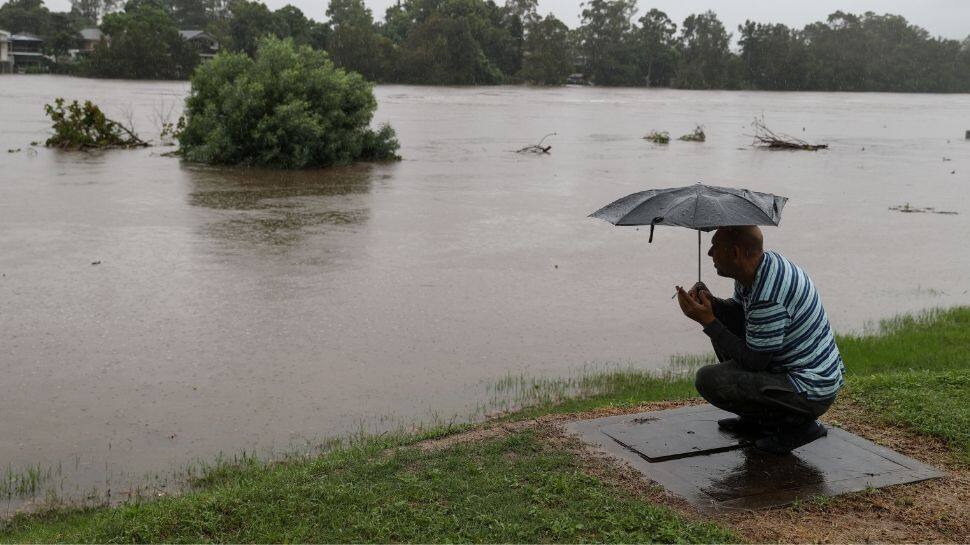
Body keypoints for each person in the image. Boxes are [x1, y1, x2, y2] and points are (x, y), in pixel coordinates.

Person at [674, 225, 844, 454]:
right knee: (723, 330)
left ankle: (801, 426)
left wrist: (708, 321)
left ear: (735, 253)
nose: (710, 253)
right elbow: (743, 316)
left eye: (715, 246)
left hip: (810, 388)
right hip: (789, 370)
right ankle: (759, 421)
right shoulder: (757, 270)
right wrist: (712, 304)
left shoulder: (769, 296)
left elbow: (755, 362)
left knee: (708, 379)